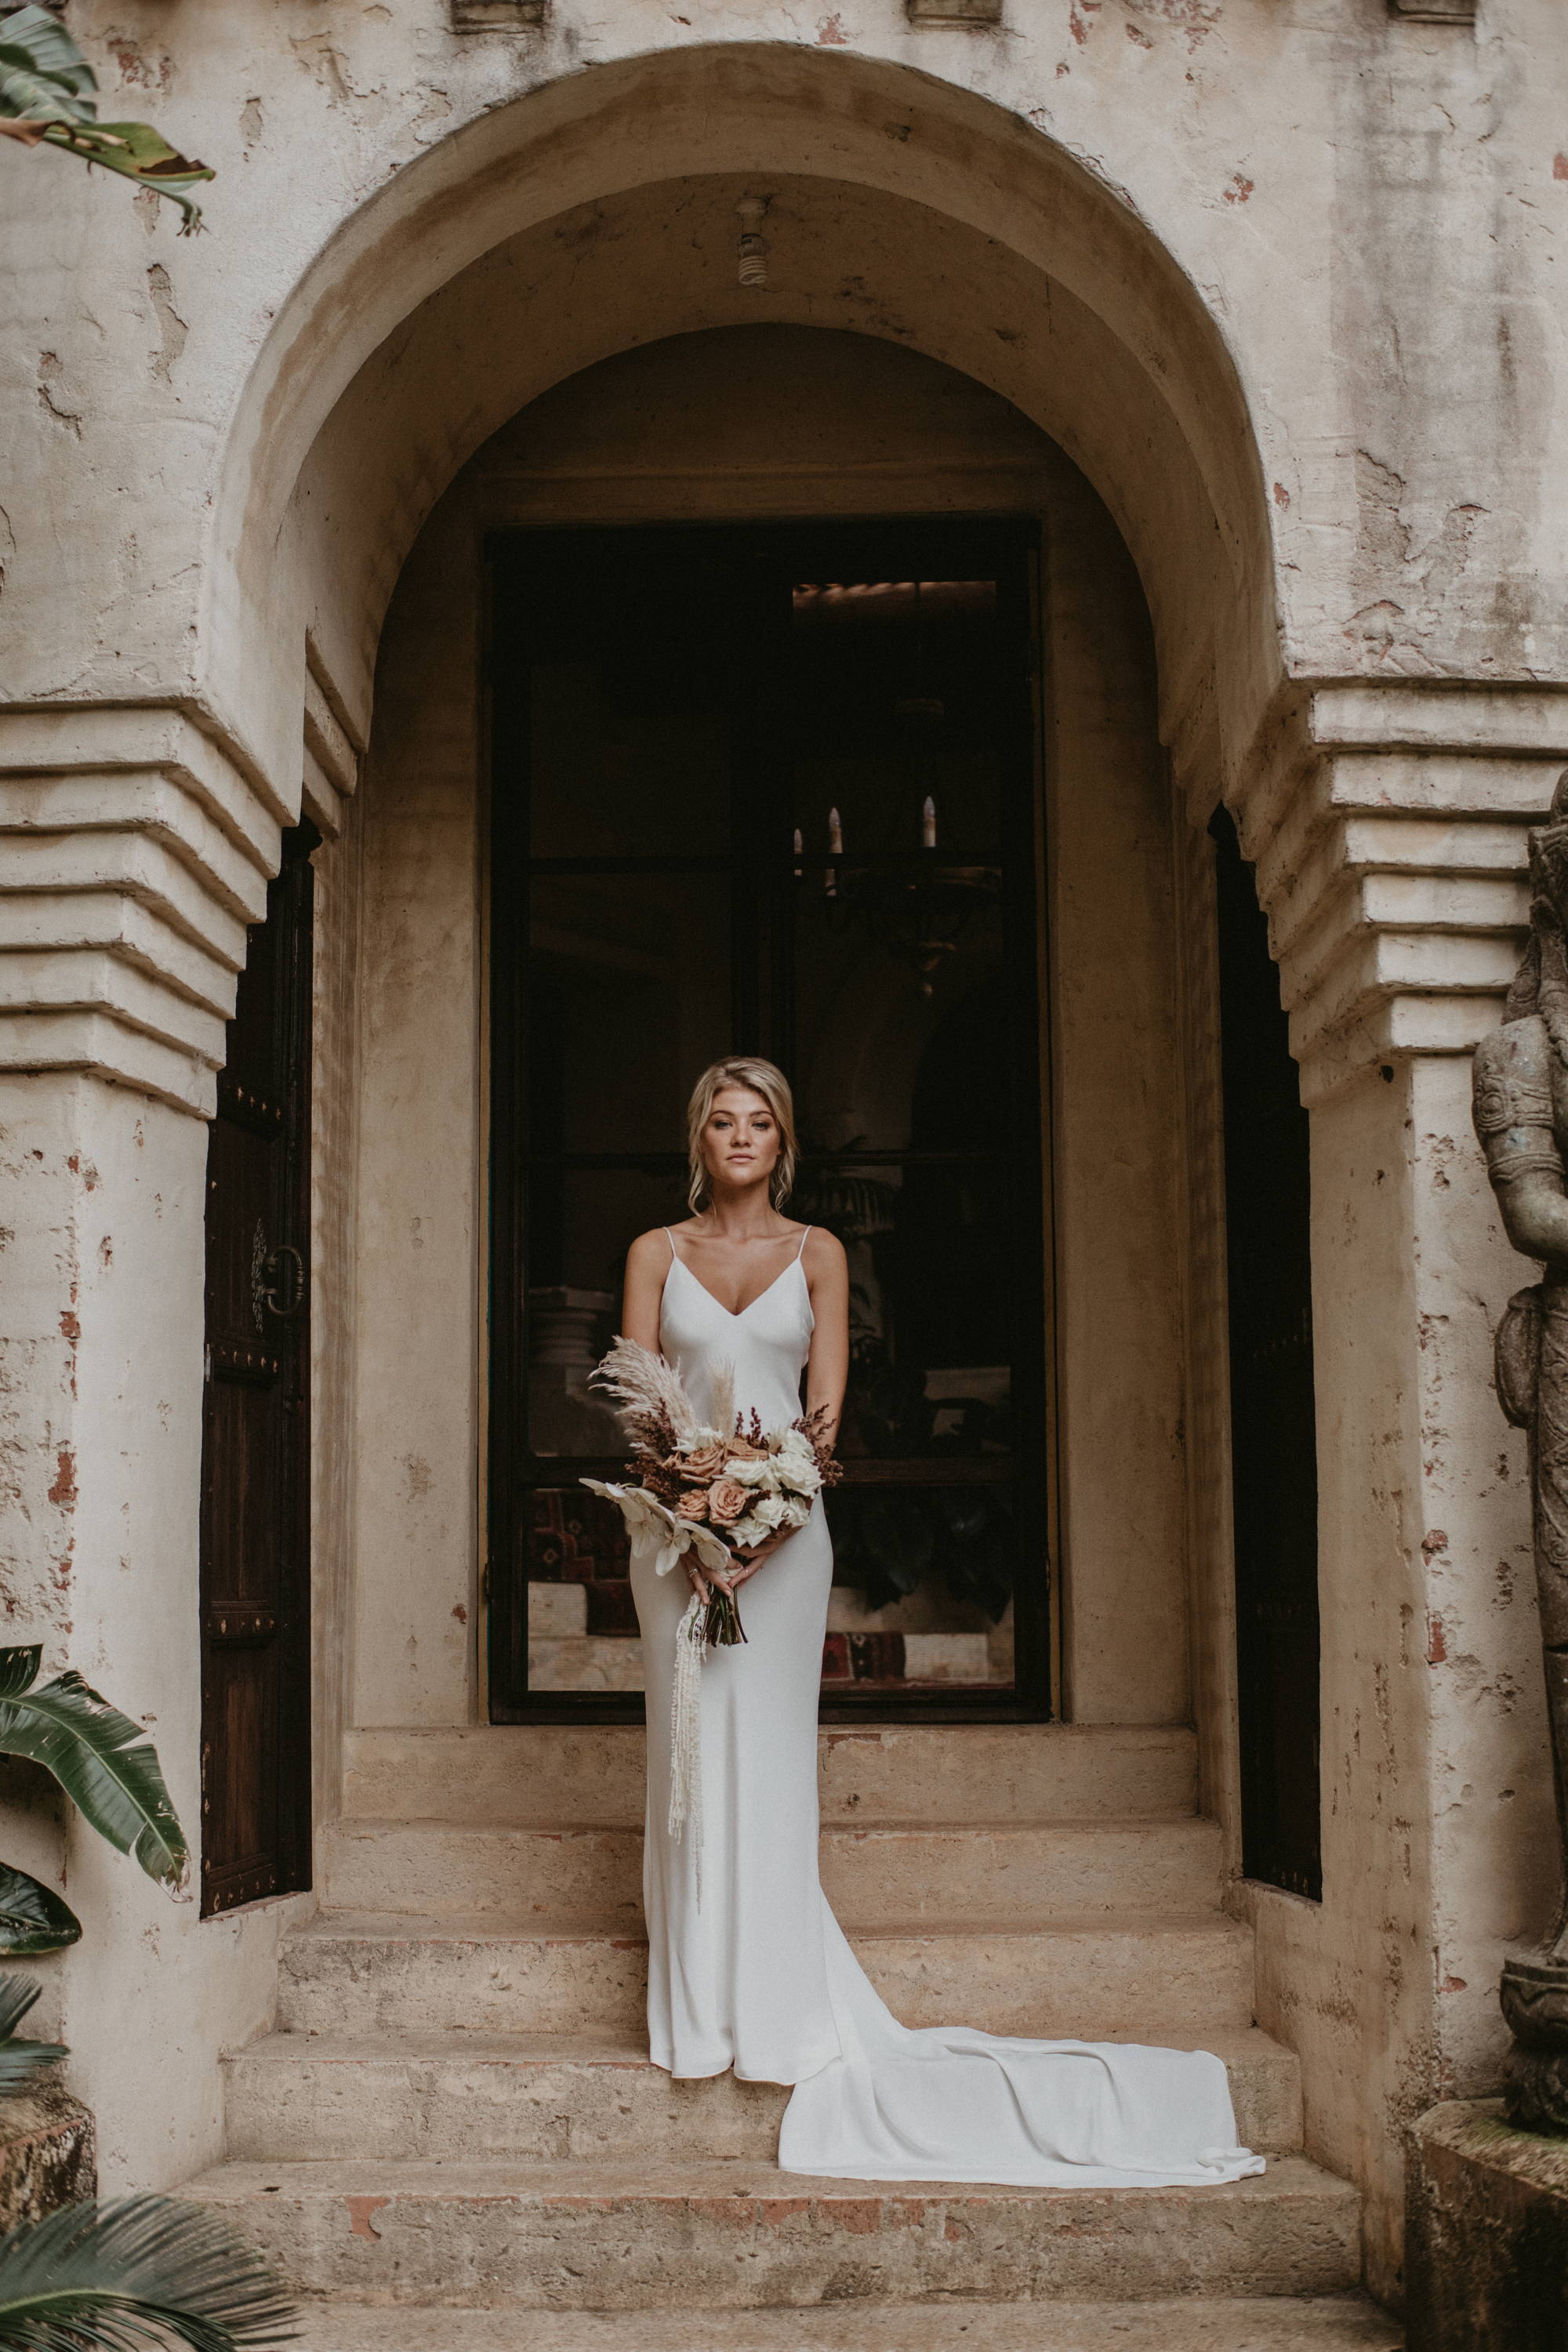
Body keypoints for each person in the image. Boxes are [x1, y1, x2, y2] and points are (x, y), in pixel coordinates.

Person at [619, 1053, 1262, 2187]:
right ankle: (694, 2017)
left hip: (785, 1537)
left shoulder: (818, 1253)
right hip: (675, 1548)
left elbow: (823, 1428)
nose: (739, 1137)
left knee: (764, 1763)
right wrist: (689, 1524)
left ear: (784, 1140)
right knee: (684, 1763)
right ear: (697, 1138)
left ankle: (771, 2014)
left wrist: (759, 1529)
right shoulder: (652, 1254)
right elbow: (638, 1411)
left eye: (758, 1120)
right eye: (720, 1120)